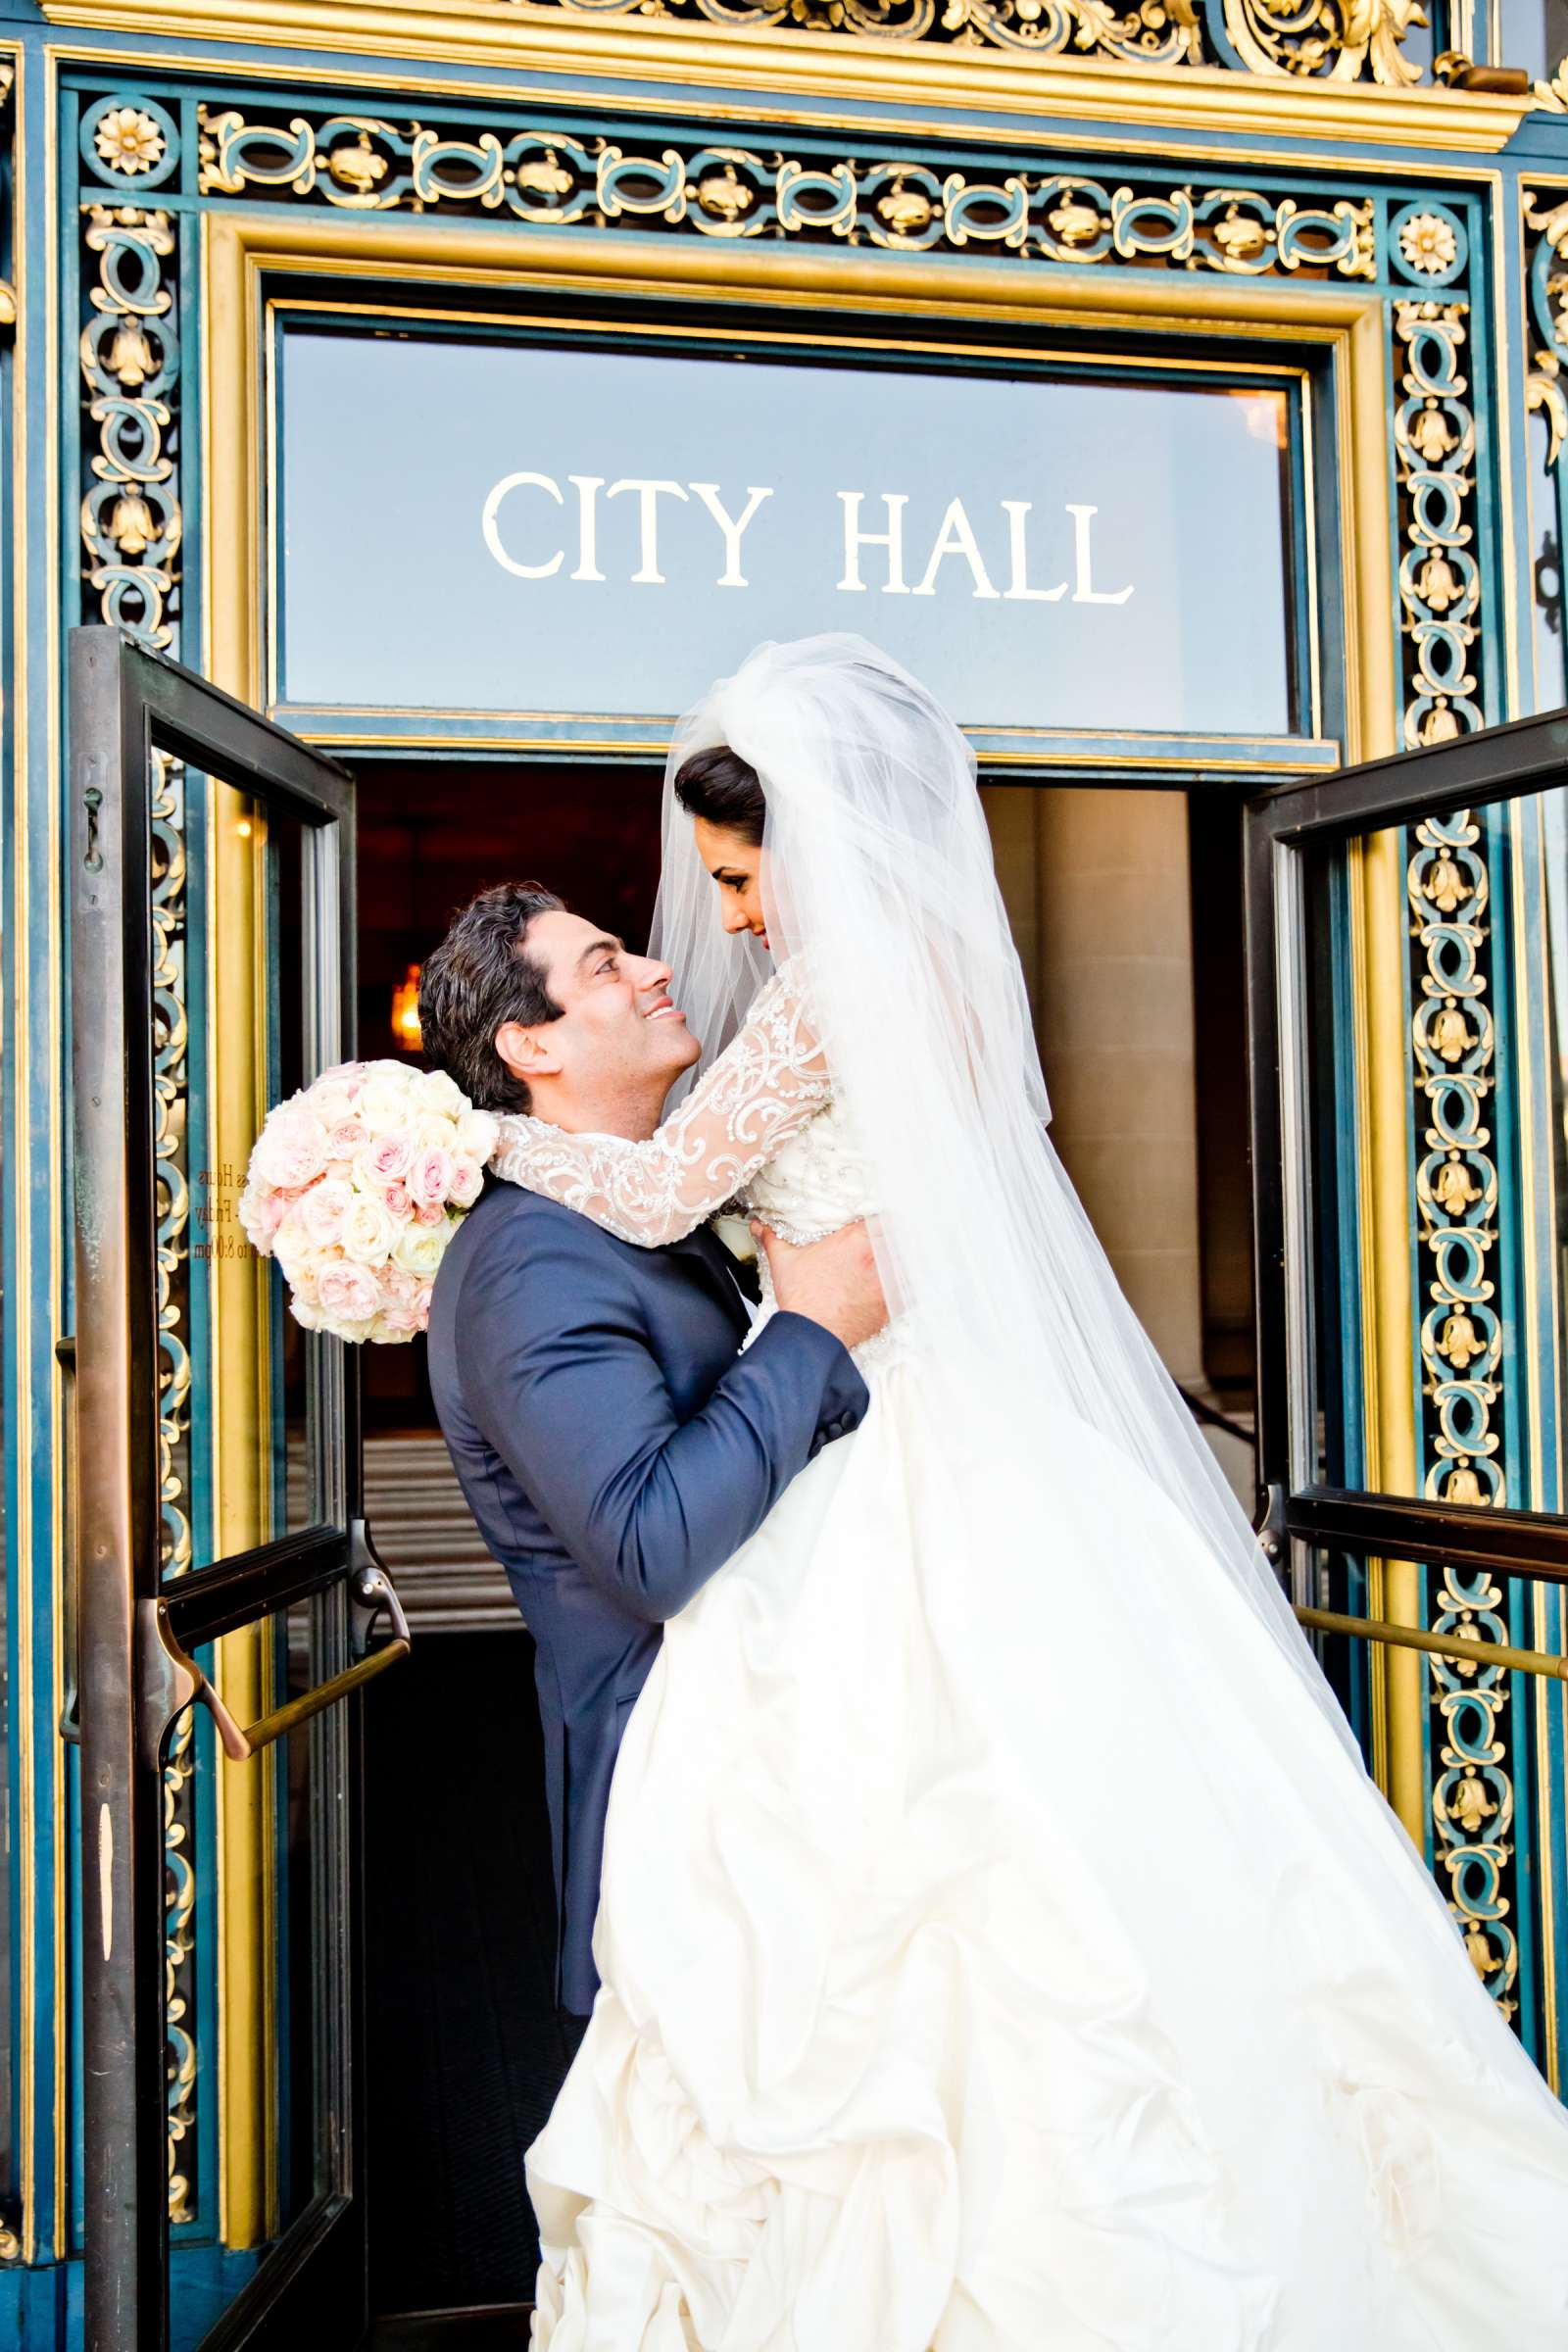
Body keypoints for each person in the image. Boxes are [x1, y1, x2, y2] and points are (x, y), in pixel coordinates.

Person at [490, 636, 1568, 2348]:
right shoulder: (950, 974)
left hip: (885, 1444)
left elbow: (661, 1189)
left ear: (823, 845)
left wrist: (449, 1133)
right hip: (965, 1427)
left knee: (907, 1865)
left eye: (745, 878)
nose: (737, 917)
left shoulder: (843, 987)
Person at [419, 882, 884, 2030]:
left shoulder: (645, 1216)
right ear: (529, 1044)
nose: (655, 970)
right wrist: (813, 1329)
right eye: (605, 965)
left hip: (787, 1748)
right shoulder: (534, 1259)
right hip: (682, 1792)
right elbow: (647, 1545)